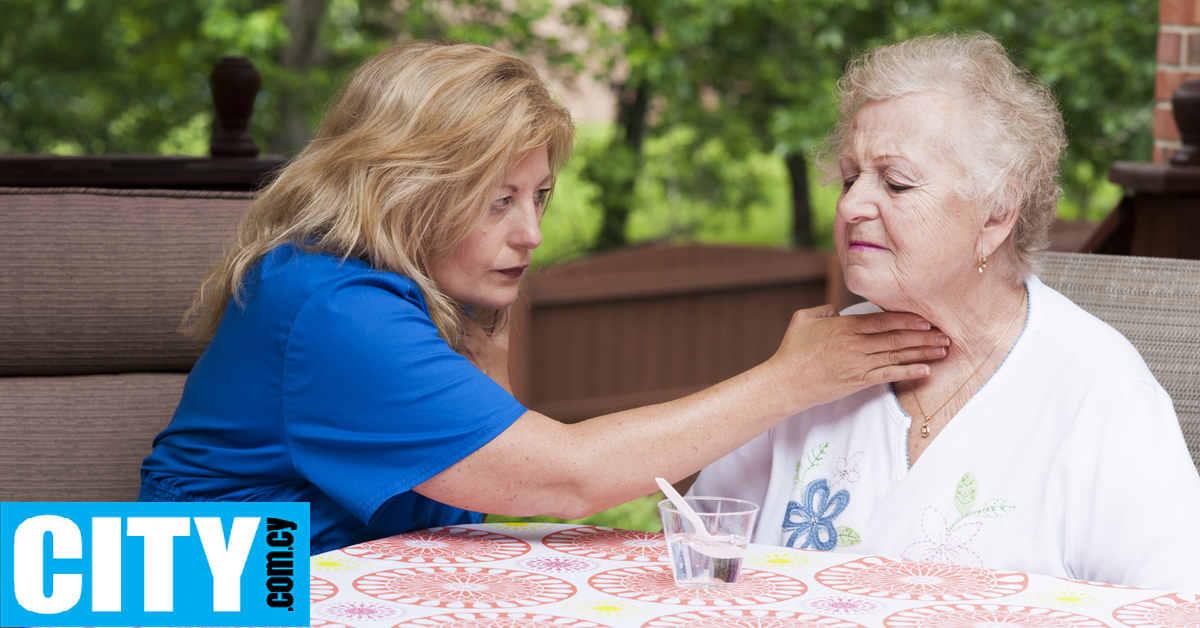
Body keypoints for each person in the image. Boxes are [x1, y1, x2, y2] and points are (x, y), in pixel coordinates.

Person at [138, 40, 948, 555]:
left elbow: (485, 492)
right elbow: (563, 479)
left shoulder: (387, 289)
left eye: (539, 196)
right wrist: (791, 378)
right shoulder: (334, 310)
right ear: (406, 189)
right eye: (498, 200)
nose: (531, 233)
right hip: (201, 587)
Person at [693, 32, 1200, 592]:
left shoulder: (1100, 395)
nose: (851, 204)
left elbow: (1177, 604)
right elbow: (703, 542)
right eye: (849, 178)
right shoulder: (813, 364)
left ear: (997, 213)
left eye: (896, 182)